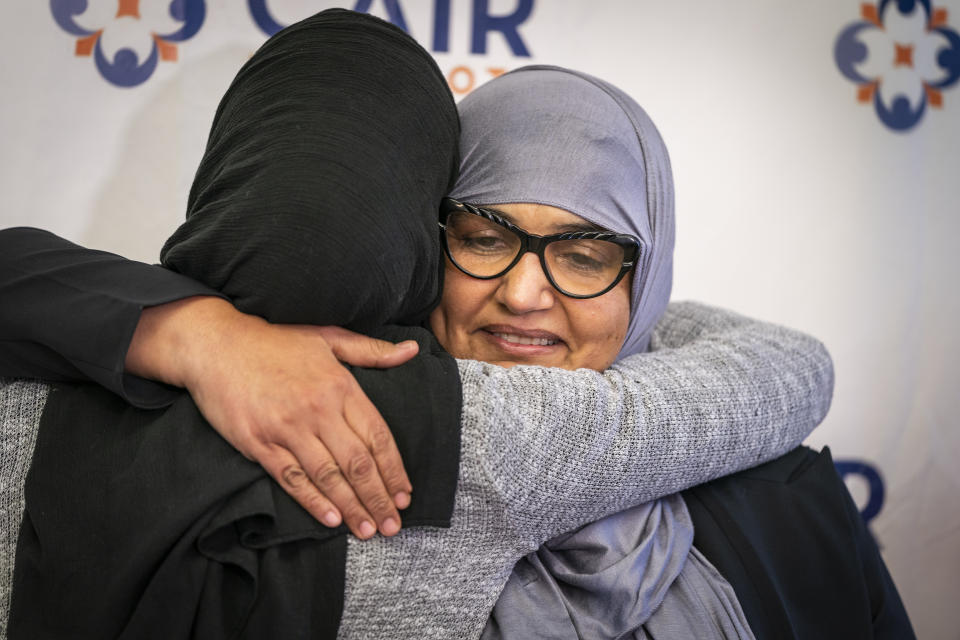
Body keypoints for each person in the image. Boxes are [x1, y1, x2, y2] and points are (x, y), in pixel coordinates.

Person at [0, 9, 901, 639]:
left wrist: (180, 327)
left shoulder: (789, 503)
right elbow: (787, 363)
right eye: (482, 237)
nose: (522, 295)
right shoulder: (420, 439)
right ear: (423, 249)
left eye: (585, 255)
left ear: (649, 273)